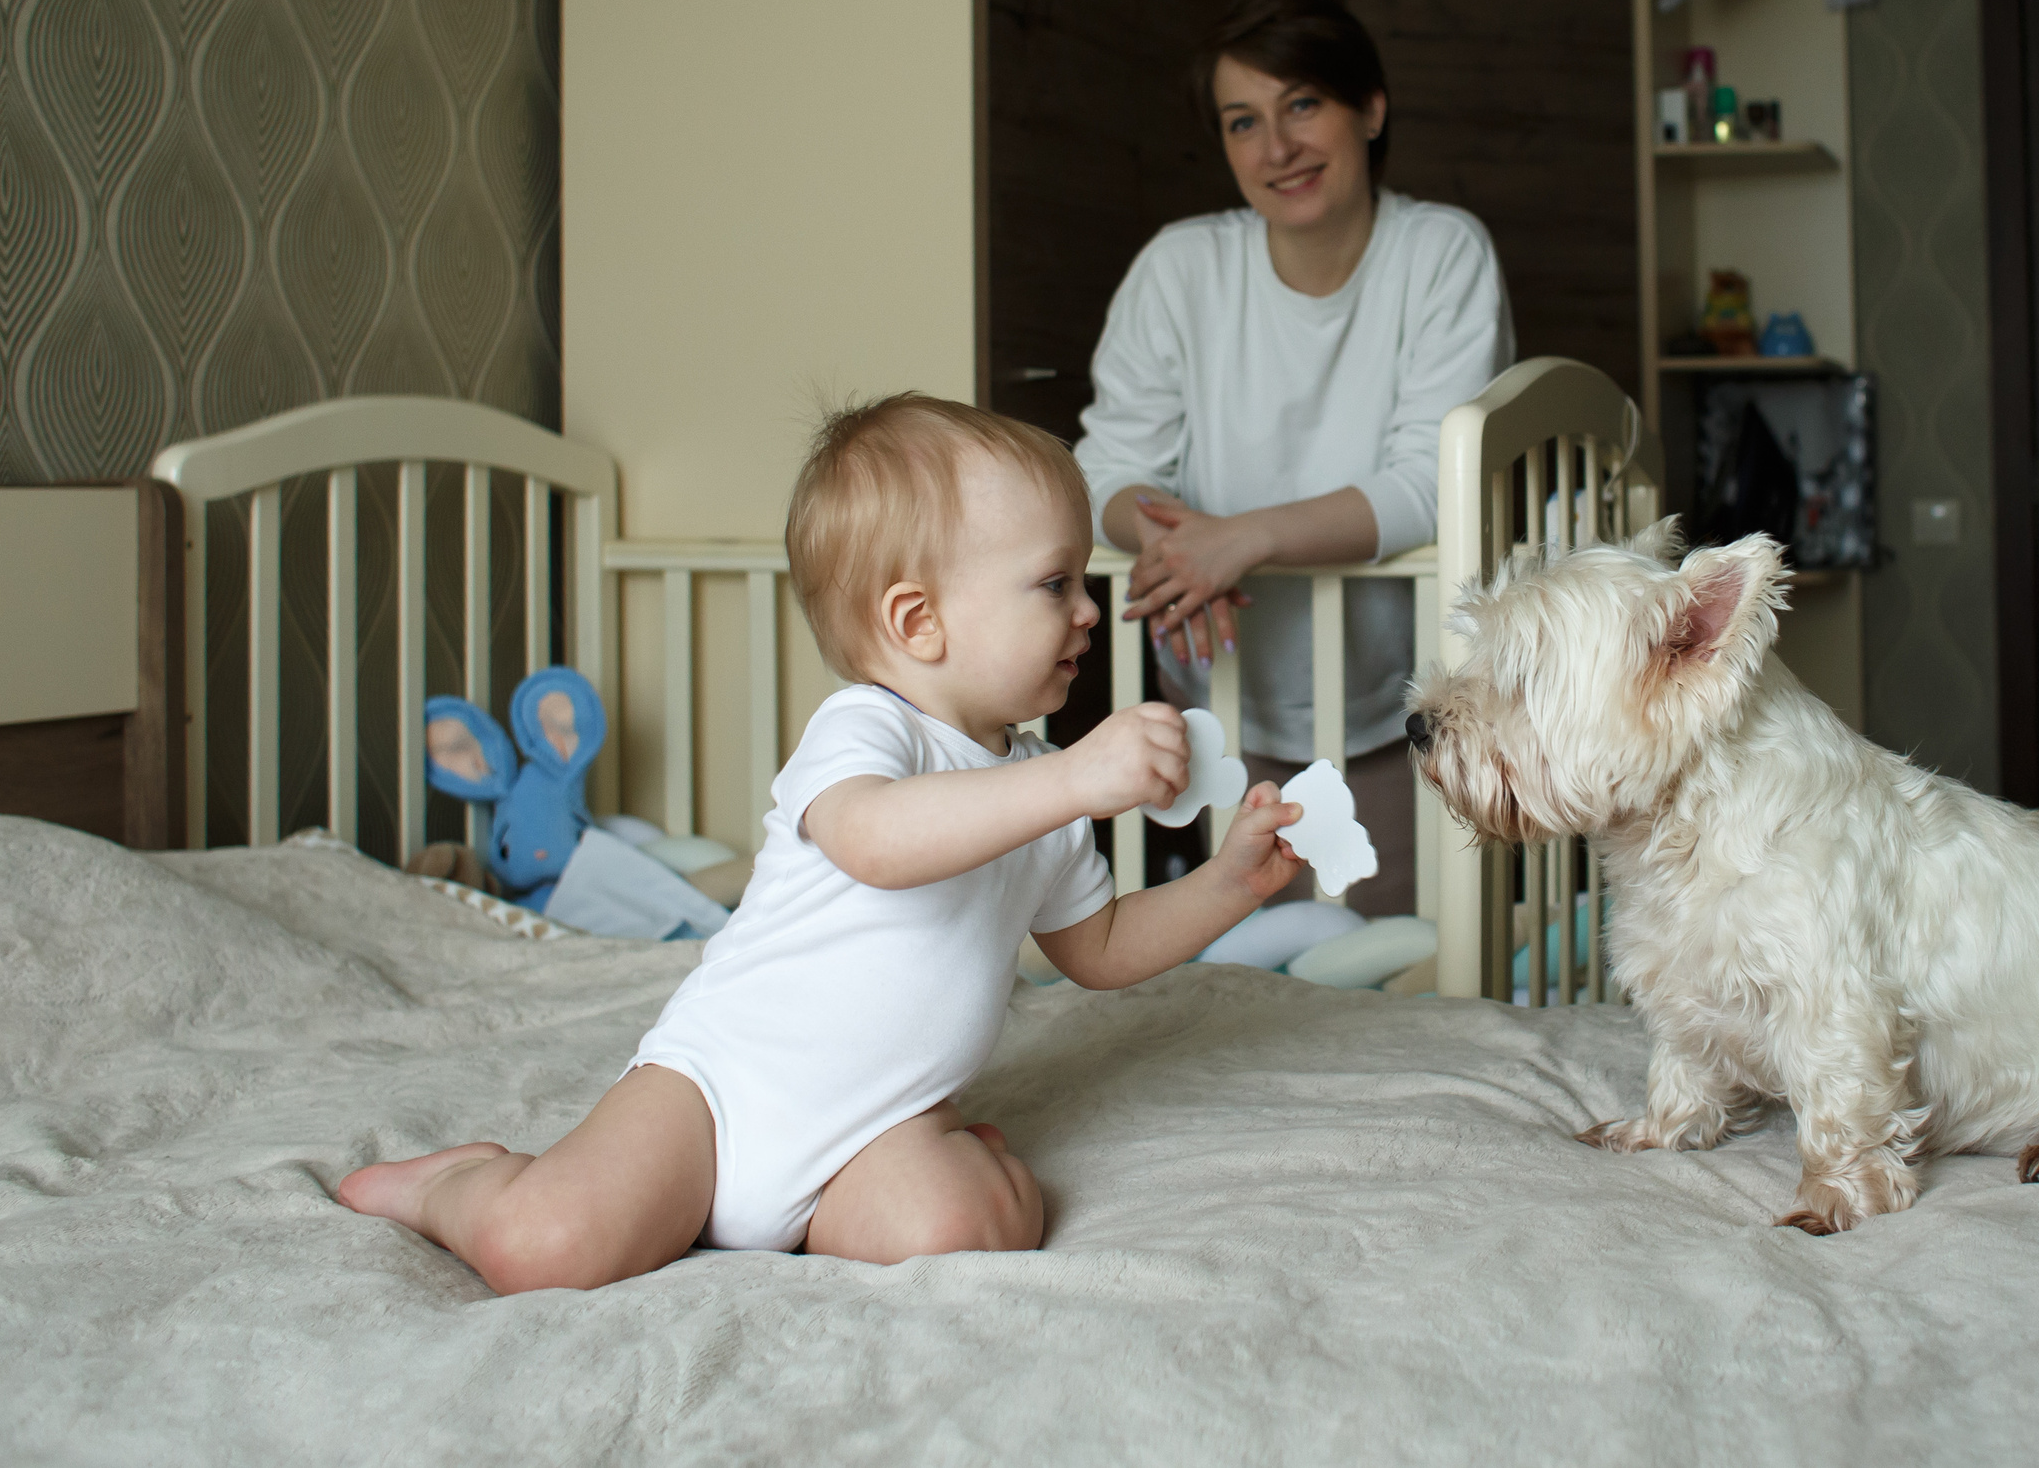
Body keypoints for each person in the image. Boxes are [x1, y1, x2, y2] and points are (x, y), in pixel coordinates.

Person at [336, 395, 1310, 1289]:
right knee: (542, 1245)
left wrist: (1229, 881)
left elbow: (1098, 950)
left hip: (878, 1131)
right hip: (715, 1096)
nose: (1089, 609)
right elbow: (874, 841)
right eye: (1054, 583)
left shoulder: (1035, 787)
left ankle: (951, 1160)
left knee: (959, 1226)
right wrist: (1070, 780)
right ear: (916, 622)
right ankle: (460, 1182)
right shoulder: (869, 728)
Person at [1075, 0, 1514, 917]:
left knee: (1398, 977)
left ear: (1371, 108)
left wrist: (1243, 539)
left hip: (1395, 706)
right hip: (1219, 693)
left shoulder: (1440, 253)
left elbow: (1435, 485)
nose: (1277, 148)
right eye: (1244, 122)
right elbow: (1107, 468)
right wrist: (1173, 543)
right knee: (1257, 988)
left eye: (1304, 104)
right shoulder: (1180, 268)